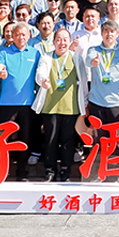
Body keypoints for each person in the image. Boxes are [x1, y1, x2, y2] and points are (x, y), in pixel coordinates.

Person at [0, 21, 39, 180]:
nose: (20, 37)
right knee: (3, 140)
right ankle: (3, 172)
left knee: (24, 139)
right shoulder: (4, 53)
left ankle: (21, 172)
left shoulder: (35, 53)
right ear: (12, 36)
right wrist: (0, 73)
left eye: (23, 35)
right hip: (6, 104)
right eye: (17, 34)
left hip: (27, 104)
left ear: (29, 36)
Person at [34, 28, 82, 181]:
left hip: (71, 107)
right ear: (53, 42)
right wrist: (43, 81)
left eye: (65, 39)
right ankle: (50, 171)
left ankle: (66, 172)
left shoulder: (76, 58)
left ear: (70, 42)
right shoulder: (46, 57)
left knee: (68, 143)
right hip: (50, 107)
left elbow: (84, 81)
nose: (62, 43)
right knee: (50, 141)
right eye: (58, 40)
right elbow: (40, 73)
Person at [82, 20, 119, 142]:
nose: (109, 34)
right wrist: (93, 62)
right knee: (99, 140)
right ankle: (99, 161)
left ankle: (114, 160)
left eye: (112, 31)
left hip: (116, 103)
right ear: (101, 33)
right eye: (106, 31)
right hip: (97, 101)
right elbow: (88, 60)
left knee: (115, 139)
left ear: (117, 34)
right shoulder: (93, 50)